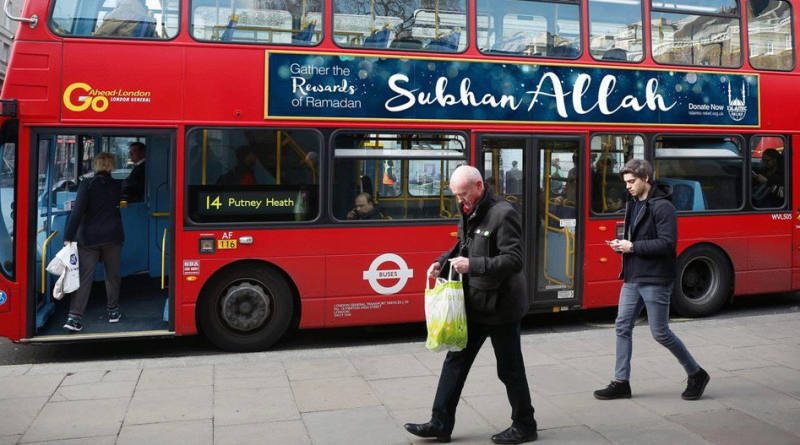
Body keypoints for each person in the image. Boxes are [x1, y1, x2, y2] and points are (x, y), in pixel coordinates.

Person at [405, 166, 538, 444]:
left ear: (478, 185)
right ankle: (440, 424)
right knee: (455, 361)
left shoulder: (504, 213)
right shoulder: (469, 209)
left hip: (502, 307)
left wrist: (473, 266)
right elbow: (462, 246)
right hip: (475, 302)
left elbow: (515, 260)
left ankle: (525, 424)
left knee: (510, 369)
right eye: (456, 195)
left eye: (463, 194)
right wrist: (441, 261)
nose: (459, 200)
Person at [596, 159, 709, 401]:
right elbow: (634, 240)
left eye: (632, 181)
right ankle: (620, 382)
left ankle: (696, 373)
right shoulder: (633, 204)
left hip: (656, 278)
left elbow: (668, 244)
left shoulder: (663, 207)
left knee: (660, 332)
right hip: (633, 276)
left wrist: (633, 246)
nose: (628, 186)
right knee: (622, 326)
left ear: (646, 178)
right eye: (626, 182)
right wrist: (622, 247)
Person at [62, 152, 124, 332]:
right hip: (112, 236)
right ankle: (113, 312)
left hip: (89, 237)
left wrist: (68, 237)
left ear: (96, 165)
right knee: (112, 276)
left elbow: (77, 212)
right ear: (111, 166)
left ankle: (74, 317)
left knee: (83, 277)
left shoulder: (86, 184)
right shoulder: (116, 185)